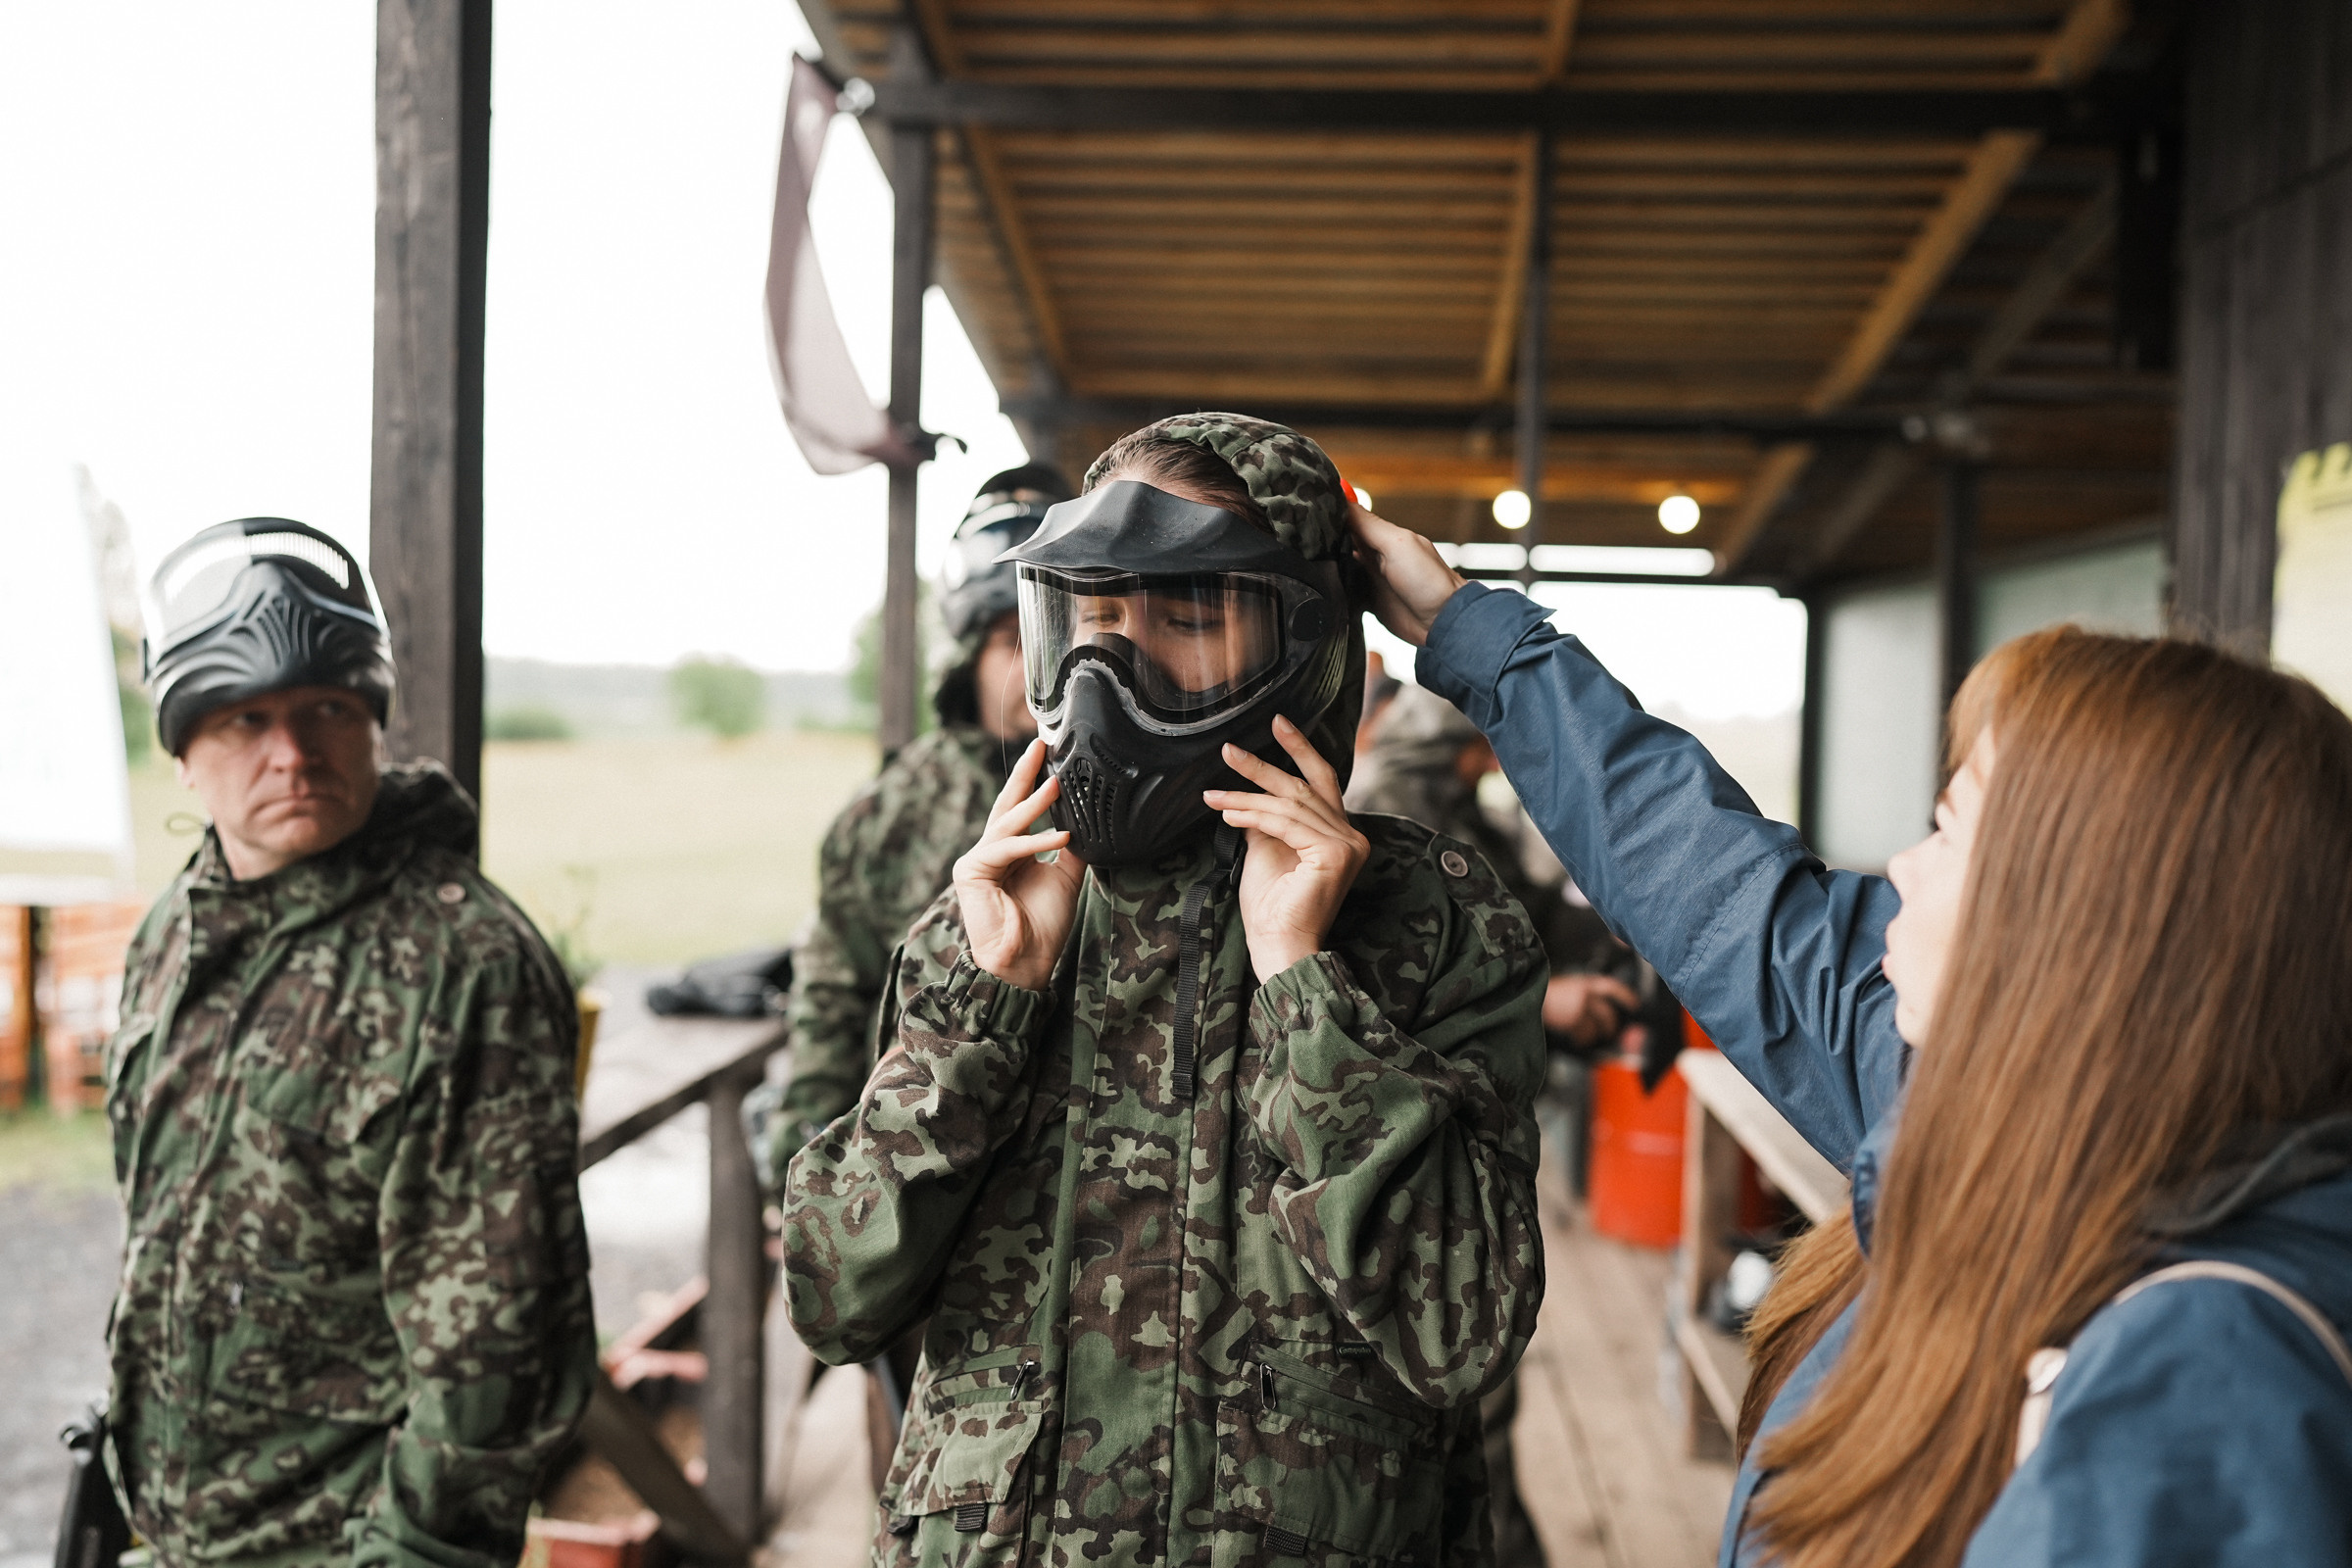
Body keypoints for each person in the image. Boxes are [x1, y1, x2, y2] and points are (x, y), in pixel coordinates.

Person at [1348, 502, 2352, 1567]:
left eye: (1950, 830)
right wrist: (1464, 627)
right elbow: (1726, 890)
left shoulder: (2206, 1384)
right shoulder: (2003, 1093)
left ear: (2084, 931)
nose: (1900, 874)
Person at [781, 415, 1549, 1568]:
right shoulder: (990, 919)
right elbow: (832, 1295)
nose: (1112, 670)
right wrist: (988, 1010)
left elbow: (1461, 1331)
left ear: (1308, 644)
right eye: (1091, 620)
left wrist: (1303, 985)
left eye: (1188, 616)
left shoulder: (1431, 922)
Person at [107, 519, 596, 1568]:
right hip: (177, 1531)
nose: (293, 752)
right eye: (246, 718)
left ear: (372, 720)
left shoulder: (462, 963)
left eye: (328, 708)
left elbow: (497, 1352)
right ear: (185, 752)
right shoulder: (170, 938)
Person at [1343, 680, 1635, 1568]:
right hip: (1414, 1138)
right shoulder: (1391, 814)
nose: (1495, 763)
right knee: (1462, 1385)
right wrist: (1552, 1004)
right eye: (1486, 747)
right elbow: (1396, 999)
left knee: (1483, 1385)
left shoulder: (1463, 809)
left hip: (1484, 1127)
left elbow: (1526, 920)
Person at [764, 463, 1072, 1171]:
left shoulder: (1124, 796)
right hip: (928, 1155)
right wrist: (804, 1156)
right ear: (968, 658)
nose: (1037, 666)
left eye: (1057, 631)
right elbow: (836, 989)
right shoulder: (890, 811)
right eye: (1010, 642)